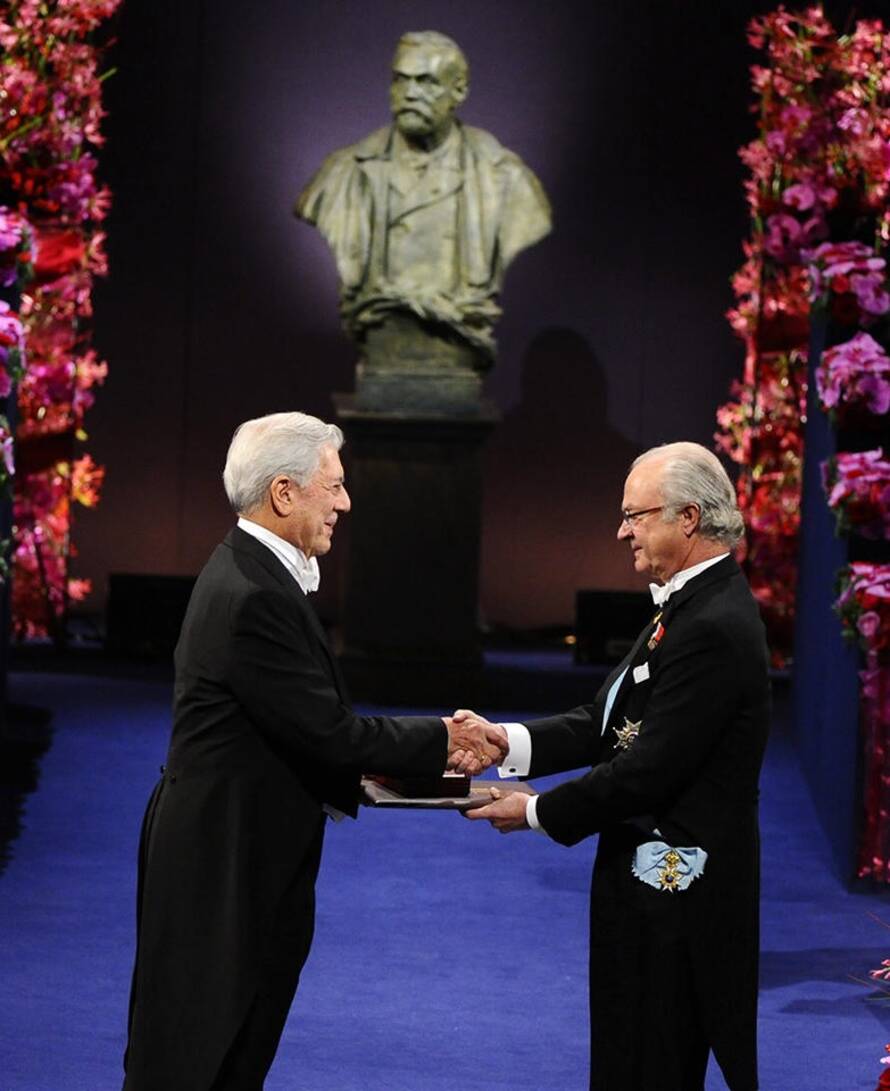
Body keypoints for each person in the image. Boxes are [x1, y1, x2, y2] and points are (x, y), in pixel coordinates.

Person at [122, 411, 506, 1091]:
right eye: (333, 485)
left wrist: (432, 771)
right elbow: (332, 735)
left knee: (229, 1049)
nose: (345, 502)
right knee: (198, 1056)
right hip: (224, 860)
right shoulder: (253, 595)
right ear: (284, 492)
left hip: (237, 845)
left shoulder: (252, 571)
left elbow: (309, 733)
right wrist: (447, 740)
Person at [463, 442, 770, 1091]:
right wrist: (505, 743)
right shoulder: (686, 604)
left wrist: (536, 811)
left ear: (689, 517)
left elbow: (648, 769)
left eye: (635, 514)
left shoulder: (712, 623)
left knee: (652, 1063)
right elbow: (607, 722)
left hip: (677, 893)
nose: (622, 531)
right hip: (648, 886)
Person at [295, 30, 551, 366]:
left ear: (458, 91)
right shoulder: (343, 173)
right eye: (401, 80)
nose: (410, 93)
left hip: (456, 353)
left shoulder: (505, 180)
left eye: (426, 82)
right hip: (380, 348)